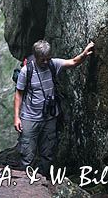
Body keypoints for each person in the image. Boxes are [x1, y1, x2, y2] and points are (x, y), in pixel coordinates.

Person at [14, 39, 94, 177]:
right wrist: (16, 117)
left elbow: (73, 62)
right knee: (27, 154)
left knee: (48, 153)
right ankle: (25, 184)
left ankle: (43, 183)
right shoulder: (26, 71)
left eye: (48, 58)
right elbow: (18, 94)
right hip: (29, 118)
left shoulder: (53, 64)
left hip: (49, 117)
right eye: (42, 60)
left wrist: (85, 53)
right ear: (36, 57)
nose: (46, 62)